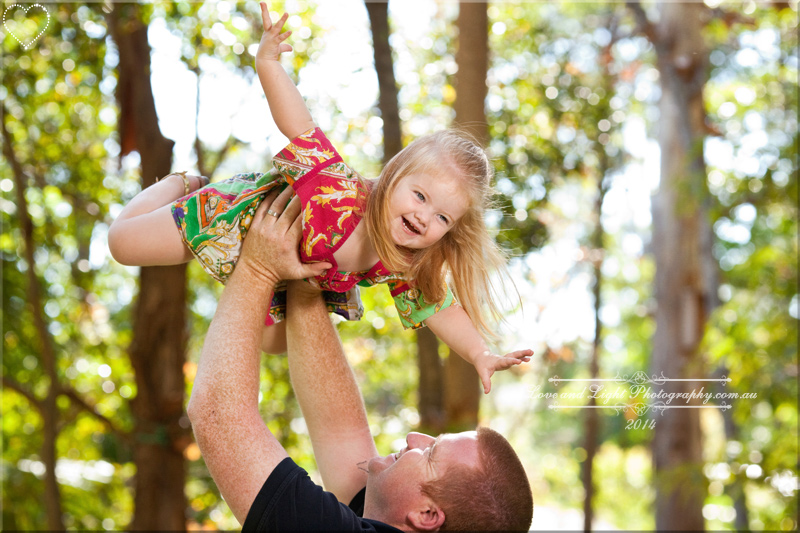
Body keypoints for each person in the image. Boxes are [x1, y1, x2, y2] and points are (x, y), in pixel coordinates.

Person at [107, 2, 532, 394]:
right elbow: (299, 125)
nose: (424, 217)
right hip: (238, 219)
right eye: (420, 195)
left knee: (275, 343)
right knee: (123, 246)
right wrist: (268, 62)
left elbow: (440, 310)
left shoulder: (404, 261)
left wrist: (480, 353)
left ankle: (235, 271)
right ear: (392, 176)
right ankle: (183, 184)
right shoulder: (340, 191)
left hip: (278, 273)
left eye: (442, 218)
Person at [187, 185, 534, 531]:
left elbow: (219, 414)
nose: (415, 437)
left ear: (427, 515)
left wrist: (258, 267)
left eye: (430, 454)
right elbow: (340, 432)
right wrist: (310, 273)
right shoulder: (384, 516)